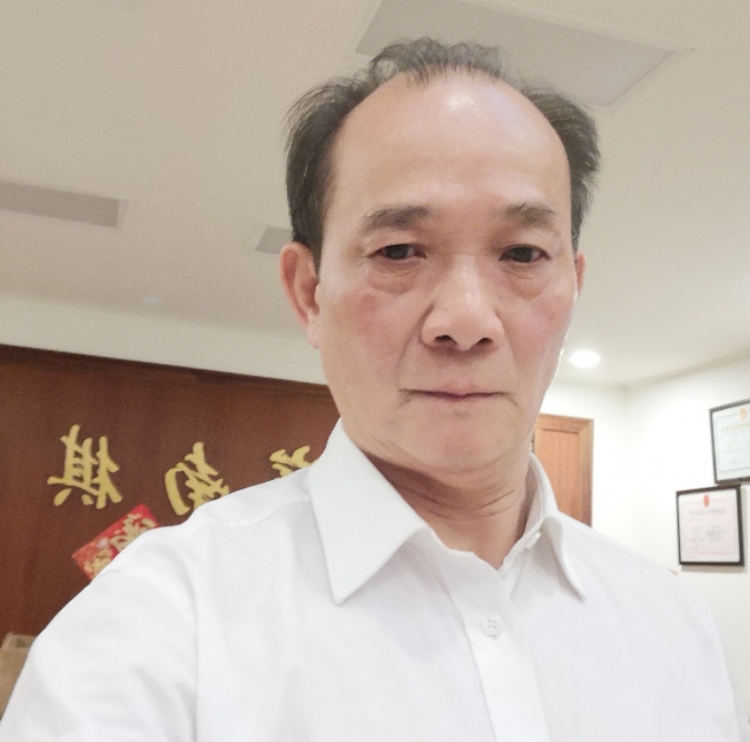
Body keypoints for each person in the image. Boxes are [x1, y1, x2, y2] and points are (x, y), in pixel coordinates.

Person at [1, 38, 747, 741]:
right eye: (398, 250)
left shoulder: (670, 624)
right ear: (308, 292)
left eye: (522, 253)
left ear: (572, 288)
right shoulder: (157, 622)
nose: (466, 321)